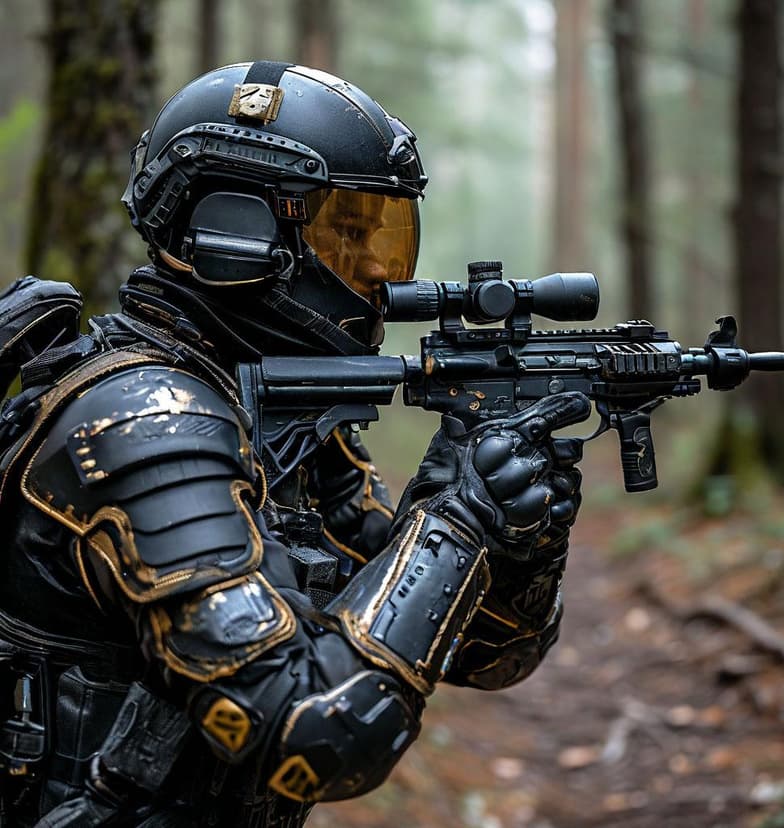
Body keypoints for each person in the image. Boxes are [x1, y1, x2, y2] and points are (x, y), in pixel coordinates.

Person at [0, 61, 590, 826]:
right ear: (234, 236)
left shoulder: (289, 431)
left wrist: (516, 541)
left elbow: (483, 657)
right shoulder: (145, 427)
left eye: (385, 235)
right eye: (348, 233)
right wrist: (455, 524)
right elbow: (319, 735)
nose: (380, 274)